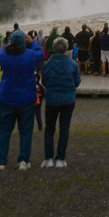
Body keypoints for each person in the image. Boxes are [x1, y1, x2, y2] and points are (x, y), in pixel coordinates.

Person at [0, 30, 44, 170]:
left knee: (4, 131)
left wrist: (10, 45)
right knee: (26, 131)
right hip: (26, 98)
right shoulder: (29, 55)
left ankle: (1, 162)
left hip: (7, 98)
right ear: (24, 42)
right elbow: (40, 54)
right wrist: (32, 42)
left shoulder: (4, 55)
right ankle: (23, 160)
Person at [40, 37, 80, 168]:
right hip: (68, 100)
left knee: (49, 129)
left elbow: (44, 81)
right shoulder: (72, 64)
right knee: (64, 129)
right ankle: (61, 159)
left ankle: (49, 158)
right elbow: (77, 82)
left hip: (52, 99)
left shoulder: (48, 64)